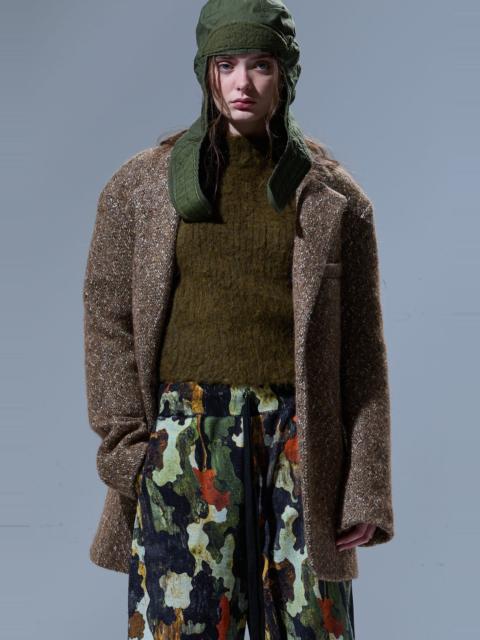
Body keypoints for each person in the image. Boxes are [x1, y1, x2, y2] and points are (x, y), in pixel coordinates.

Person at [82, 1, 395, 638]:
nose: (242, 83)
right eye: (226, 65)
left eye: (261, 65)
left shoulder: (336, 199)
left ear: (286, 74)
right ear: (206, 71)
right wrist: (128, 449)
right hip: (183, 443)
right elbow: (107, 320)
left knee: (312, 630)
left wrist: (364, 487)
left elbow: (363, 354)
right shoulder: (141, 188)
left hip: (303, 446)